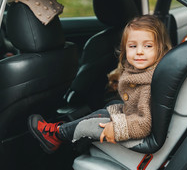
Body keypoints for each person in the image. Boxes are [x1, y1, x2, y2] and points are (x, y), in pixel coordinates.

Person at [28, 15, 172, 154]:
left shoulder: (147, 85)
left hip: (140, 135)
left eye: (147, 46)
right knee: (111, 107)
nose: (139, 52)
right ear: (125, 48)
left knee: (92, 124)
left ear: (160, 48)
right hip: (135, 119)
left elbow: (144, 124)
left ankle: (56, 135)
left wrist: (116, 128)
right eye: (133, 46)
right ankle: (77, 139)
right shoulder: (148, 71)